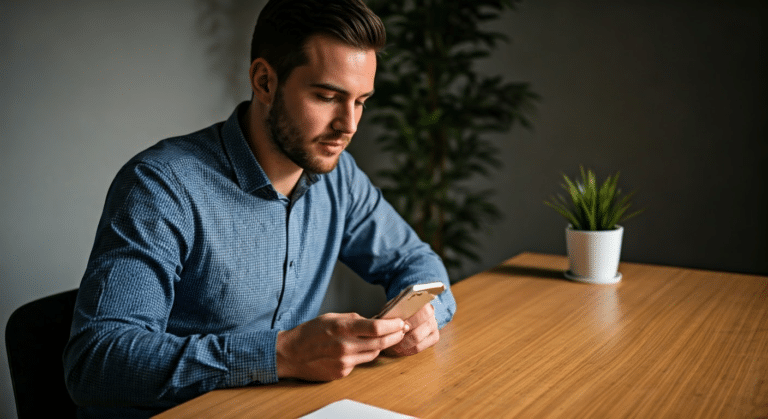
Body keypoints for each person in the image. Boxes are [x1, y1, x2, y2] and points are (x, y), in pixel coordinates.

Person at [63, 0, 456, 417]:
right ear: (265, 82)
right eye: (327, 96)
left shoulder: (338, 177)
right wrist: (280, 354)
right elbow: (96, 363)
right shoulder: (161, 186)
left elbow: (416, 260)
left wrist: (424, 312)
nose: (349, 124)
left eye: (361, 101)